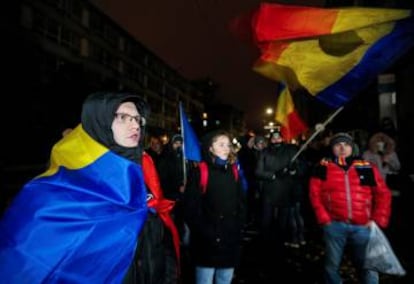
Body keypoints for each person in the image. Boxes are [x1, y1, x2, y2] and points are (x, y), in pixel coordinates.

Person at [0, 92, 149, 282]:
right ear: (99, 122)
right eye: (122, 117)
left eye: (137, 119)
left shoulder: (137, 176)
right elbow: (20, 265)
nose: (135, 125)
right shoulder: (47, 194)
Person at [309, 132, 392, 284]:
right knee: (331, 266)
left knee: (368, 267)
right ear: (332, 148)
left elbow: (383, 194)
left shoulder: (365, 167)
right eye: (338, 144)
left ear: (352, 147)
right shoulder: (323, 166)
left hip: (363, 226)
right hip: (334, 225)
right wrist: (324, 218)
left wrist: (377, 219)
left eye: (346, 144)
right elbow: (314, 194)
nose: (342, 148)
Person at [182, 129, 246, 284]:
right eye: (221, 144)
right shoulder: (200, 172)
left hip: (229, 238)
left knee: (225, 279)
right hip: (207, 241)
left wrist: (238, 225)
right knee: (205, 279)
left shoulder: (234, 171)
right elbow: (190, 209)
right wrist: (205, 231)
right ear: (210, 148)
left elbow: (241, 202)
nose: (226, 148)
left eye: (228, 145)